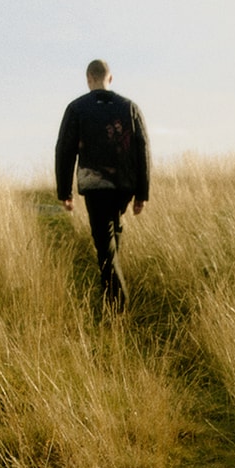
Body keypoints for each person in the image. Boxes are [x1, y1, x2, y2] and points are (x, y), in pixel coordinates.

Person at [55, 60, 150, 312]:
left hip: (95, 186)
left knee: (104, 243)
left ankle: (119, 304)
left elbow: (64, 150)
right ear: (111, 78)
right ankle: (110, 303)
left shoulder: (77, 109)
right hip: (123, 186)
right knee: (113, 235)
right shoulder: (130, 107)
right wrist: (142, 193)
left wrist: (64, 191)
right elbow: (143, 150)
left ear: (88, 79)